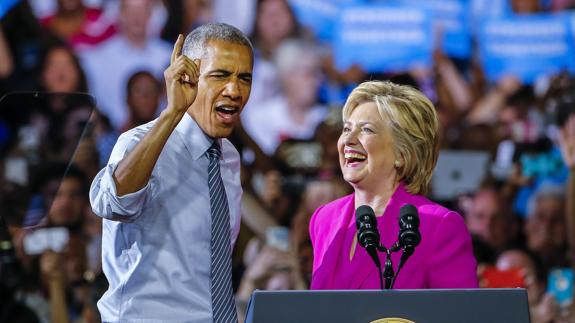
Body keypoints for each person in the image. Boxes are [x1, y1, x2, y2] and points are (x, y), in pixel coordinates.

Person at [89, 23, 253, 322]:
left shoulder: (228, 156)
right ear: (188, 77)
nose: (234, 90)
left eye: (244, 78)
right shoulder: (139, 142)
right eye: (220, 75)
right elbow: (112, 204)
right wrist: (172, 113)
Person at [309, 81, 478, 289]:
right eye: (346, 129)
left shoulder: (438, 226)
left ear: (401, 153)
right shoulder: (324, 219)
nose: (348, 140)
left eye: (367, 130)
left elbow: (460, 315)